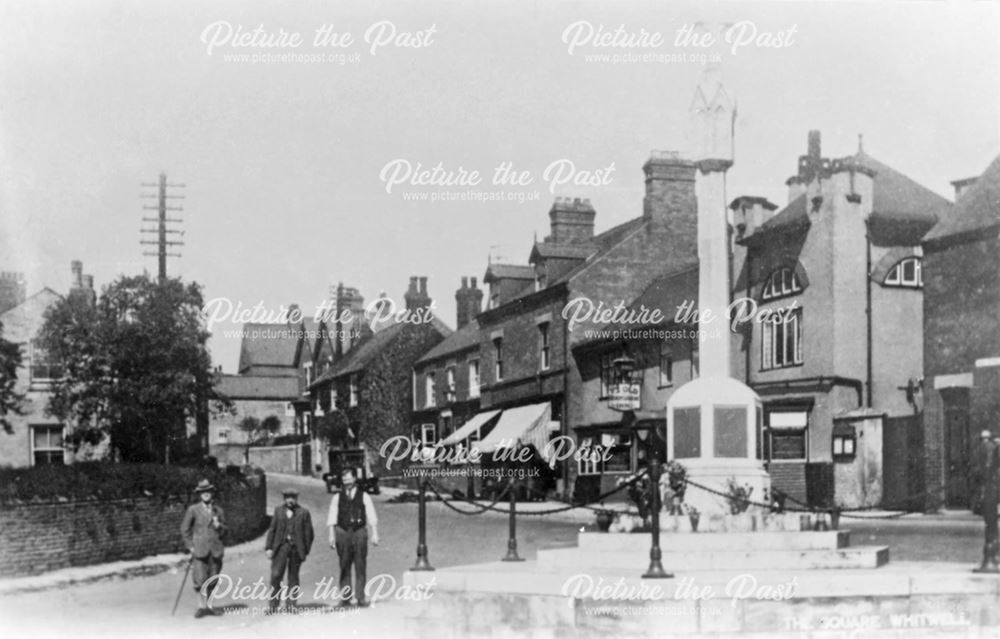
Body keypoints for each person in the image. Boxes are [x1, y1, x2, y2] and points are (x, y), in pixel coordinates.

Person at [327, 467, 379, 606]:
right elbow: (332, 517)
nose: (347, 482)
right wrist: (331, 535)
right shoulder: (337, 497)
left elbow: (371, 514)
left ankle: (360, 597)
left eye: (349, 479)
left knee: (360, 564)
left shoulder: (364, 496)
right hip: (342, 532)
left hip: (359, 532)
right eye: (344, 480)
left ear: (355, 479)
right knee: (344, 564)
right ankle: (346, 597)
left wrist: (375, 533)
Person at [180, 478, 227, 618]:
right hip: (200, 550)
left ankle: (210, 606)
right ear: (199, 494)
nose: (206, 494)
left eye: (208, 491)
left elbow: (226, 530)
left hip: (215, 550)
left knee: (213, 579)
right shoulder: (193, 510)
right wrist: (190, 546)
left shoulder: (218, 511)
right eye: (203, 492)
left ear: (212, 493)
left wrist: (220, 527)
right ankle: (201, 607)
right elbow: (185, 529)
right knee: (200, 579)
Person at [265, 488, 314, 613]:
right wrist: (269, 547)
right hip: (280, 548)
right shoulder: (278, 511)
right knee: (276, 575)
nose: (290, 500)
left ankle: (291, 605)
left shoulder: (303, 512)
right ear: (284, 498)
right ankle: (273, 606)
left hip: (296, 549)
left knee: (293, 577)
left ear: (296, 498)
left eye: (292, 497)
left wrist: (304, 550)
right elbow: (272, 530)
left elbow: (309, 534)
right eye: (287, 497)